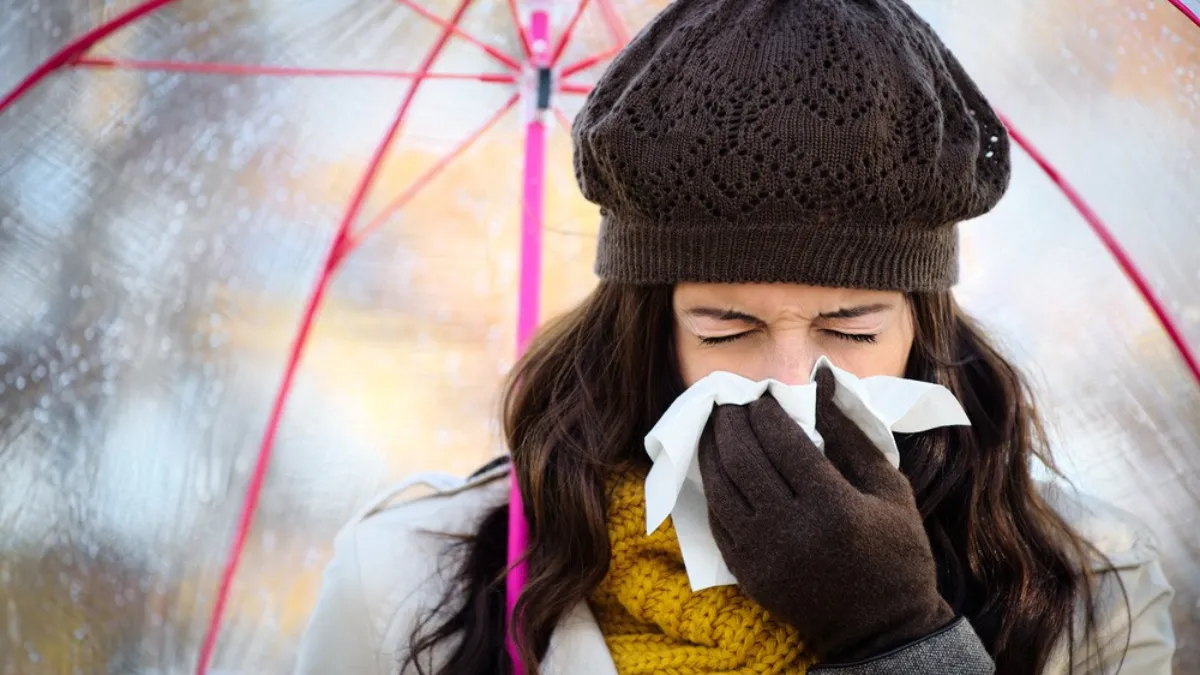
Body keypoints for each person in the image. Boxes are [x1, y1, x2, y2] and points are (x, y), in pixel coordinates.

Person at [293, 0, 1176, 673]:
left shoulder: (1092, 590)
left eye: (851, 327)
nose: (791, 382)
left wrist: (901, 638)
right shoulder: (411, 582)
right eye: (728, 325)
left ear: (923, 325)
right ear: (647, 327)